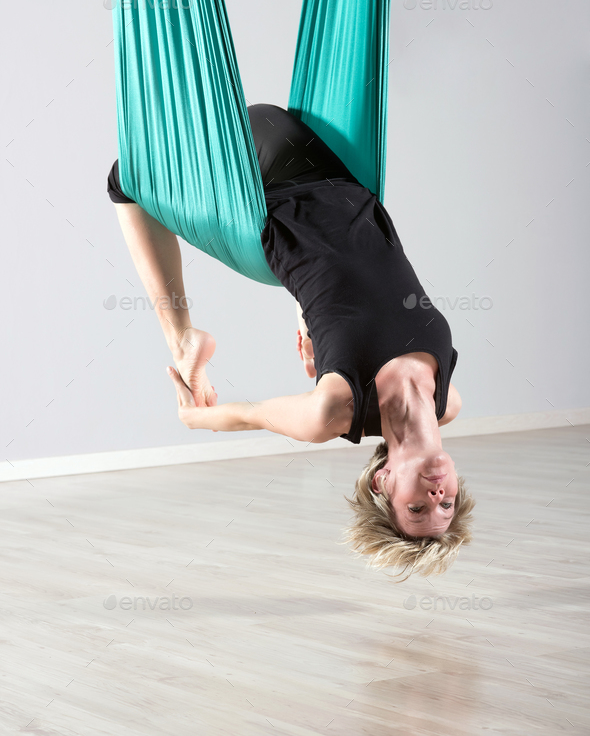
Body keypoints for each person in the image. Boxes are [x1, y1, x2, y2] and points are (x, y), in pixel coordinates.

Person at [107, 103, 475, 578]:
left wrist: (194, 417)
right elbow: (354, 297)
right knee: (134, 174)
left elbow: (251, 415)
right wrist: (310, 330)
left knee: (127, 178)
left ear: (384, 482)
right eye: (446, 509)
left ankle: (181, 338)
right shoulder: (448, 402)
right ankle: (184, 336)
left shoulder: (334, 410)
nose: (437, 498)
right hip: (338, 174)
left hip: (268, 185)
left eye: (418, 511)